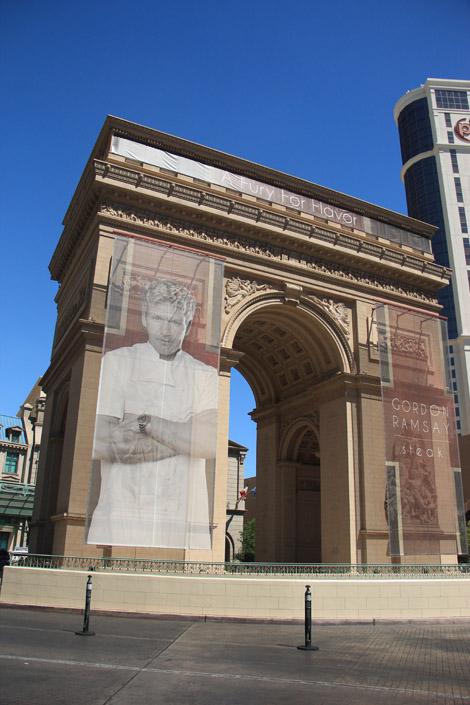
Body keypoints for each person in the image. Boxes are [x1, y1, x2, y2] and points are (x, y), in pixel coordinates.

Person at [87, 279, 218, 549]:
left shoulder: (205, 374)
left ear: (188, 326)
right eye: (158, 318)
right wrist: (185, 438)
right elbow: (101, 443)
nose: (166, 331)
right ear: (145, 318)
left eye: (175, 322)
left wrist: (146, 422)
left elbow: (208, 443)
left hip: (183, 514)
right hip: (124, 509)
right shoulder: (117, 362)